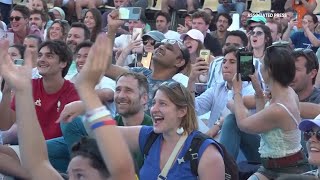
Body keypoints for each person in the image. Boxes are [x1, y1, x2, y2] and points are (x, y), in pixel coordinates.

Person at [0, 35, 136, 180]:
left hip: (62, 150)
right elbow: (5, 125)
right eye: (39, 55)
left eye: (49, 56)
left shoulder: (72, 91)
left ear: (63, 63)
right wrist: (9, 90)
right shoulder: (30, 86)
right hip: (35, 151)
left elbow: (40, 161)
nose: (41, 60)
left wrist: (87, 91)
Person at [232, 45, 310, 179]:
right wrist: (258, 92)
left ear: (270, 70)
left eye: (262, 64)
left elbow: (243, 124)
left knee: (230, 120)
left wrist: (237, 92)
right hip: (270, 167)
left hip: (289, 170)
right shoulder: (287, 92)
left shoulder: (278, 109)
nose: (259, 68)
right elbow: (262, 118)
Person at [105, 10, 190, 113]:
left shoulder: (175, 89)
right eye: (159, 45)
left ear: (179, 62)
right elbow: (106, 68)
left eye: (169, 48)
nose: (161, 47)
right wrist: (111, 30)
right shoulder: (140, 73)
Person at [189, 45, 254, 135]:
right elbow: (193, 109)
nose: (225, 66)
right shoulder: (217, 88)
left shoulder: (251, 92)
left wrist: (216, 127)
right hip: (210, 143)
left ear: (243, 66)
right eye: (224, 62)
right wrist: (191, 80)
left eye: (232, 62)